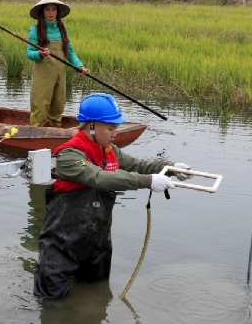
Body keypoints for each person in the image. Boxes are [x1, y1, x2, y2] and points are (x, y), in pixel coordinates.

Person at [33, 93, 193, 299]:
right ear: (90, 126)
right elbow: (100, 178)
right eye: (111, 128)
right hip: (61, 247)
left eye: (116, 128)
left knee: (96, 297)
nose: (115, 133)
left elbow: (139, 165)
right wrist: (147, 181)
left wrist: (169, 167)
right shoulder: (68, 156)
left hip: (97, 244)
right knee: (53, 306)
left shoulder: (110, 151)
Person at [27, 0, 89, 128]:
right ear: (42, 12)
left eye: (53, 9)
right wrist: (40, 53)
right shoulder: (35, 30)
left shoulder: (62, 29)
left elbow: (70, 52)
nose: (50, 12)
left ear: (57, 12)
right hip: (42, 77)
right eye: (47, 9)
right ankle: (35, 134)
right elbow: (30, 53)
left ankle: (56, 132)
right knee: (40, 107)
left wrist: (79, 66)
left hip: (60, 75)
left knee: (58, 106)